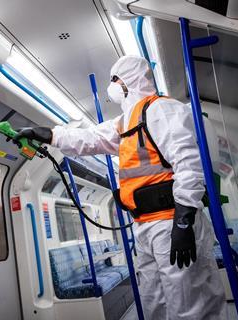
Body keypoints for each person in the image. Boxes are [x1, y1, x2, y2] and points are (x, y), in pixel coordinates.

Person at [15, 56, 226, 319]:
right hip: (144, 226)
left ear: (127, 80)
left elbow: (188, 163)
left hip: (171, 220)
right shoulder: (126, 122)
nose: (111, 86)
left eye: (114, 80)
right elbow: (89, 138)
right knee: (154, 302)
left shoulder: (160, 110)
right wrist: (46, 133)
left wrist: (183, 221)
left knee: (187, 303)